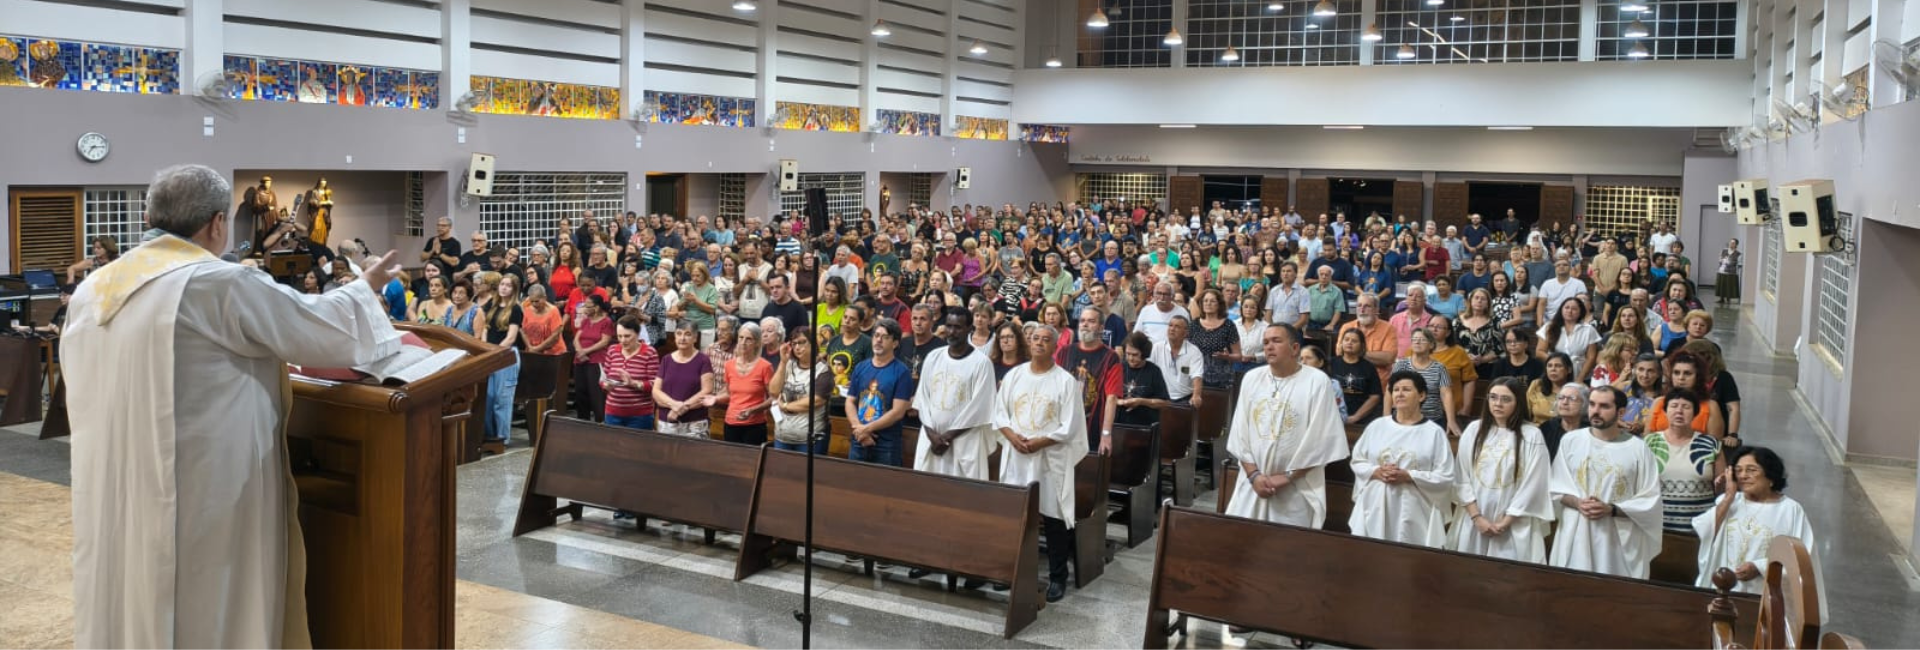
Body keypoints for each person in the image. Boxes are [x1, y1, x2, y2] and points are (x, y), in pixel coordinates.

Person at [66, 164, 408, 648]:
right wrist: (364, 287)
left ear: (149, 216)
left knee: (133, 588)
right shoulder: (214, 282)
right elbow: (317, 329)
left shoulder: (94, 289)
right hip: (205, 486)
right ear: (217, 224)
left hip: (119, 480)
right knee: (207, 599)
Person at [993, 323, 1090, 603]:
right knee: (1017, 516)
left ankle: (1058, 577)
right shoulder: (1014, 376)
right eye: (1035, 338)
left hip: (1050, 458)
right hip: (1018, 456)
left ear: (1055, 346)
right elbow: (1000, 413)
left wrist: (1038, 442)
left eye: (1046, 340)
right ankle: (1013, 571)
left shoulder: (1065, 381)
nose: (1039, 343)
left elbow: (1070, 425)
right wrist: (1013, 438)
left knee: (1054, 517)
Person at [1223, 324, 1352, 527]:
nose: (1269, 347)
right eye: (1265, 342)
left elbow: (1321, 439)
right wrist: (1254, 475)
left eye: (1276, 341)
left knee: (1288, 553)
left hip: (1297, 489)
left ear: (1294, 349)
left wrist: (1286, 478)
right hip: (1252, 484)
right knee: (1244, 546)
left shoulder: (1317, 382)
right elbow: (1240, 432)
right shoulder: (1252, 378)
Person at [1548, 386, 1664, 579]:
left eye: (1604, 406)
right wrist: (1578, 503)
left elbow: (1650, 500)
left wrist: (1611, 509)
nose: (1595, 410)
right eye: (1592, 404)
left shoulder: (1639, 449)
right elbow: (1555, 489)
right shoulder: (1571, 440)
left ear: (1621, 412)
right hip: (1576, 534)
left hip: (1616, 540)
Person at [1694, 446, 1822, 604]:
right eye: (1738, 470)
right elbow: (1706, 531)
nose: (1743, 476)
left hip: (1766, 599)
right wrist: (1728, 496)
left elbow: (1801, 557)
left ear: (1770, 475)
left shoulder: (1790, 510)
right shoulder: (1730, 502)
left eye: (1751, 470)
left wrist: (1759, 567)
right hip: (1723, 593)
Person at [1349, 370, 1458, 548]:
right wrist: (1376, 471)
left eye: (1406, 389)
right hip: (1376, 503)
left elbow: (1445, 475)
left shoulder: (1434, 433)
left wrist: (1409, 476)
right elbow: (1358, 461)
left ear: (1421, 395)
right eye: (1395, 390)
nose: (1399, 394)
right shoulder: (1377, 426)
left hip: (1415, 506)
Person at [1450, 377, 1553, 562]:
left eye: (1506, 399)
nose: (1498, 404)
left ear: (1518, 403)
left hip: (1514, 522)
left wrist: (1505, 522)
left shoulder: (1532, 435)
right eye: (1493, 397)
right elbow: (1462, 476)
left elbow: (1534, 484)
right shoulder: (1474, 429)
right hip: (1474, 519)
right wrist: (1477, 518)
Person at [913, 307, 999, 479]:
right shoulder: (933, 357)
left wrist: (947, 437)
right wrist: (932, 434)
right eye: (949, 326)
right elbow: (923, 398)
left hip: (965, 441)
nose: (952, 332)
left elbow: (981, 406)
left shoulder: (981, 363)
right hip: (931, 438)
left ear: (969, 329)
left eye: (958, 327)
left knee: (963, 497)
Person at [1647, 390, 1724, 534]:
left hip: (1699, 528)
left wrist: (1722, 484)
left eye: (1686, 407)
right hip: (1656, 527)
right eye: (1674, 406)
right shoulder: (1649, 442)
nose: (1679, 411)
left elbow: (1722, 487)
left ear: (1695, 413)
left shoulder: (1710, 444)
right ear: (1665, 411)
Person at [846, 320, 915, 465]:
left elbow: (897, 412)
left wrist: (866, 429)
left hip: (886, 444)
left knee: (885, 486)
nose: (878, 340)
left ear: (895, 343)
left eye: (885, 337)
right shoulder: (860, 367)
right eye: (876, 335)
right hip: (859, 439)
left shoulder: (901, 372)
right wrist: (858, 429)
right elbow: (850, 401)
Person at [1059, 307, 1124, 452]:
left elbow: (1112, 398)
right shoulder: (1065, 352)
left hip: (1093, 427)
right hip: (1062, 425)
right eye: (1082, 321)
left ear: (1101, 328)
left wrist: (1106, 434)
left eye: (1091, 321)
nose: (1085, 324)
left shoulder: (1111, 357)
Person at [477, 274, 524, 449]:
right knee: (488, 398)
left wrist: (495, 352)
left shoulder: (516, 309)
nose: (503, 288)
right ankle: (490, 437)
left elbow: (511, 337)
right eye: (502, 284)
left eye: (508, 285)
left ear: (514, 289)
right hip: (490, 354)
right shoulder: (491, 305)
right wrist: (483, 347)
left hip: (506, 356)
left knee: (501, 400)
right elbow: (485, 328)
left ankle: (502, 438)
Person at [770, 329, 834, 454]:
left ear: (813, 343)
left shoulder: (823, 371)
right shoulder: (788, 365)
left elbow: (816, 400)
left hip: (810, 440)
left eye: (802, 342)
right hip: (783, 436)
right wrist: (783, 362)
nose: (797, 347)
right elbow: (773, 391)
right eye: (794, 344)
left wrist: (786, 406)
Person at [1391, 329, 1459, 436]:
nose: (1417, 342)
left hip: (1432, 420)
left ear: (1431, 345)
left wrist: (1451, 420)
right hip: (1402, 420)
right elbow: (1389, 392)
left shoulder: (1439, 368)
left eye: (1422, 340)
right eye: (1414, 339)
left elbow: (1446, 394)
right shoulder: (1401, 365)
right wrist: (1386, 418)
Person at [652, 322, 715, 437]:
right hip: (667, 421)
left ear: (695, 338)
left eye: (687, 334)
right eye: (679, 334)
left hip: (694, 423)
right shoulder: (666, 360)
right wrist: (673, 405)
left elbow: (707, 391)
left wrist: (680, 408)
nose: (682, 338)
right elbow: (656, 391)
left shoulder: (703, 360)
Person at [721, 321, 776, 446]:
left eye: (749, 339)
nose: (743, 342)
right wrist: (714, 398)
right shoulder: (729, 365)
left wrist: (753, 410)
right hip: (731, 422)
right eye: (741, 338)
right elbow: (729, 394)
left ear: (757, 343)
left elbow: (774, 397)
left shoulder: (765, 366)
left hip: (754, 425)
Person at [571, 295, 616, 421]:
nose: (584, 308)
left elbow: (604, 341)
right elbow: (576, 338)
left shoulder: (606, 321)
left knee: (596, 392)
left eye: (587, 305)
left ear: (596, 308)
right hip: (580, 360)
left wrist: (586, 351)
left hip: (596, 360)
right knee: (580, 391)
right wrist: (580, 351)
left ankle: (600, 420)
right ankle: (583, 420)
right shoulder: (585, 320)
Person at [1114, 332, 1172, 427]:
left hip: (1145, 427)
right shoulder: (1119, 368)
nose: (1130, 358)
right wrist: (1117, 401)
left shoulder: (1154, 371)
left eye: (1135, 355)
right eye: (1128, 354)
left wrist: (1141, 401)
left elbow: (1165, 403)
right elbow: (1107, 395)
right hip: (1119, 424)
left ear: (1144, 353)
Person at [1339, 293, 1398, 385]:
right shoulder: (1346, 327)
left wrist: (1355, 353)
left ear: (1376, 309)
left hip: (1378, 384)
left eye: (1367, 306)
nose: (1362, 310)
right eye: (1359, 306)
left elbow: (1388, 358)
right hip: (1349, 381)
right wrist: (1373, 357)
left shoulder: (1389, 329)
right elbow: (1340, 352)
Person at [1538, 297, 1601, 379]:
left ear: (1580, 312)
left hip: (1580, 372)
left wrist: (1580, 378)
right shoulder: (1549, 327)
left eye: (1574, 309)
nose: (1569, 311)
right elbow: (1539, 351)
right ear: (1561, 309)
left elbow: (1591, 357)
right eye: (1566, 307)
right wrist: (1558, 362)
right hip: (1555, 373)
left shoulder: (1589, 330)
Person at [1151, 316, 1206, 406]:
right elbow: (1149, 370)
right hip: (1161, 397)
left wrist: (1196, 395)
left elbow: (1197, 376)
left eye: (1177, 327)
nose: (1172, 329)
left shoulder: (1194, 351)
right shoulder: (1157, 347)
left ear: (1186, 333)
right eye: (1170, 325)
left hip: (1184, 398)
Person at [1539, 382, 1590, 460]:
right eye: (1561, 398)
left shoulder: (1591, 431)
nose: (1565, 402)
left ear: (1584, 403)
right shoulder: (1546, 428)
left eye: (1572, 398)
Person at [1714, 239, 1742, 306]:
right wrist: (1722, 260)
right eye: (1730, 242)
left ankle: (1728, 299)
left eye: (1733, 243)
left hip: (1731, 272)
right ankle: (1721, 298)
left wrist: (1730, 262)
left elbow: (1737, 262)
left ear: (1736, 245)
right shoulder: (1724, 251)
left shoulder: (1738, 253)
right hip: (1722, 270)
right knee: (1722, 284)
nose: (1731, 244)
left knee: (1729, 285)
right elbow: (1720, 259)